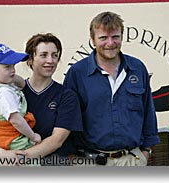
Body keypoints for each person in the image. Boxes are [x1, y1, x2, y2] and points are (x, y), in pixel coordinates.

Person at [64, 11, 160, 166]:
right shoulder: (77, 73)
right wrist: (71, 157)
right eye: (103, 38)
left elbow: (148, 110)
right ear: (93, 40)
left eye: (115, 37)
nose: (110, 43)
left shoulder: (137, 68)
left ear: (122, 37)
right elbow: (68, 118)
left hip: (132, 160)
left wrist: (146, 151)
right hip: (90, 162)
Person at [0, 33, 83, 166]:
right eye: (43, 55)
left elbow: (56, 140)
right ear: (30, 60)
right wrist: (1, 154)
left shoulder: (66, 96)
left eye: (55, 55)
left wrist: (19, 159)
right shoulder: (9, 92)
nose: (50, 60)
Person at [0, 43, 41, 166]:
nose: (13, 70)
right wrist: (33, 136)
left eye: (13, 66)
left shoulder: (1, 84)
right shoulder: (3, 93)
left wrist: (9, 75)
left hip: (4, 137)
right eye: (7, 67)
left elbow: (22, 84)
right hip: (12, 140)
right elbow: (16, 120)